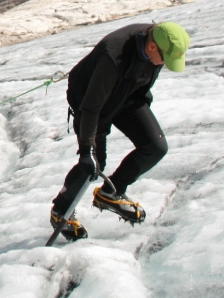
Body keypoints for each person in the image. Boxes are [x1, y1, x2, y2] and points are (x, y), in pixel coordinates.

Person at [49, 22, 189, 241]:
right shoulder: (114, 56)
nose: (165, 64)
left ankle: (111, 192)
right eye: (165, 59)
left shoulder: (160, 45)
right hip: (92, 103)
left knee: (155, 147)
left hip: (128, 96)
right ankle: (60, 211)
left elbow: (144, 83)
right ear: (152, 46)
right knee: (94, 164)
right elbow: (91, 106)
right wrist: (87, 150)